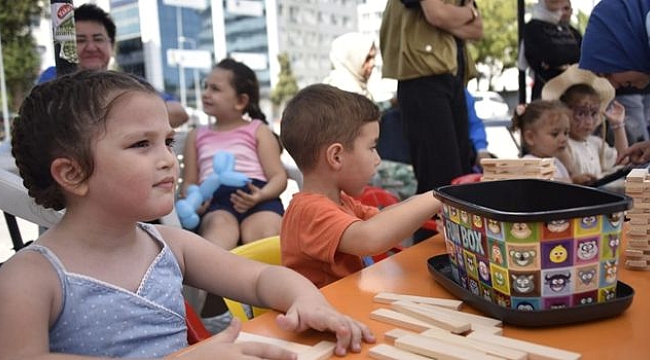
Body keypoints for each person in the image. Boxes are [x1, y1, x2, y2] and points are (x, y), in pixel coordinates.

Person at [0, 70, 375, 359]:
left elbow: (261, 278)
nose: (167, 159)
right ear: (72, 173)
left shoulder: (169, 245)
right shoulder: (30, 276)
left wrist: (308, 301)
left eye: (166, 141)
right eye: (141, 144)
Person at [279, 84, 442, 288]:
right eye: (372, 148)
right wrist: (439, 197)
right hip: (322, 315)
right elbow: (370, 237)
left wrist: (436, 207)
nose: (378, 159)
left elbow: (384, 220)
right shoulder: (308, 213)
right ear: (336, 156)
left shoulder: (340, 201)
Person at [182, 58, 287, 251]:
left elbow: (279, 176)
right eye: (206, 87)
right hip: (215, 202)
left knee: (267, 236)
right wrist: (195, 199)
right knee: (218, 236)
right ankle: (223, 279)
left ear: (241, 101)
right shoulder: (195, 136)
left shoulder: (258, 130)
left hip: (258, 195)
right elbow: (189, 182)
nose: (206, 93)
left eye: (215, 89)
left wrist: (261, 195)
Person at [379, 0, 483, 192]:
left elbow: (477, 30)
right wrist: (468, 13)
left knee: (462, 176)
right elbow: (436, 14)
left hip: (454, 76)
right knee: (441, 180)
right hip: (421, 76)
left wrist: (450, 18)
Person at [37, 3, 189, 128]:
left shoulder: (127, 83)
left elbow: (178, 113)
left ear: (112, 46)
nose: (91, 47)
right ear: (66, 46)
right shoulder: (55, 78)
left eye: (98, 39)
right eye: (80, 40)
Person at [542, 65, 627, 184]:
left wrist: (618, 126)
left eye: (593, 114)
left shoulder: (596, 143)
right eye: (581, 113)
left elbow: (623, 160)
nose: (589, 122)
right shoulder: (562, 145)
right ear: (564, 111)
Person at [520, 0, 582, 100]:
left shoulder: (573, 33)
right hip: (546, 91)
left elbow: (582, 55)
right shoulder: (533, 28)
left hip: (572, 91)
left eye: (566, 8)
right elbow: (551, 56)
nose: (562, 11)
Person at [510, 100, 572, 182]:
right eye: (555, 134)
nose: (563, 139)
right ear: (530, 137)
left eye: (566, 133)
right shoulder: (528, 165)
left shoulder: (557, 163)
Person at [322, 32, 377, 100]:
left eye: (373, 58)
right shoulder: (343, 95)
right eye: (367, 58)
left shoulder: (360, 92)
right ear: (352, 59)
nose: (373, 64)